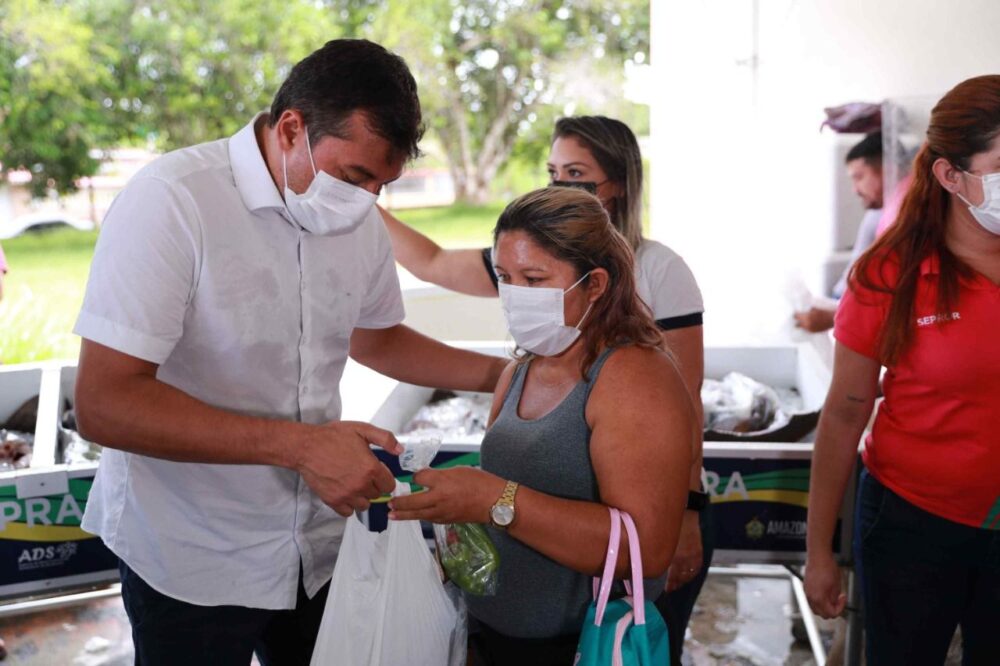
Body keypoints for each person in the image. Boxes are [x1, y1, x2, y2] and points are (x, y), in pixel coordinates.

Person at [72, 39, 505, 666]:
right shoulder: (173, 200)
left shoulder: (354, 216)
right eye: (356, 176)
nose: (367, 200)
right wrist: (302, 446)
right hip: (193, 554)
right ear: (292, 128)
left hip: (320, 547)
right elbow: (105, 403)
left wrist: (501, 375)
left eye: (383, 184)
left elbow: (374, 334)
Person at [381, 115, 711, 663]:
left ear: (596, 284)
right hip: (495, 637)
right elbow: (503, 498)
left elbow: (647, 549)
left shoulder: (632, 378)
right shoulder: (520, 369)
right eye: (506, 280)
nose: (515, 296)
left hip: (577, 647)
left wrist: (493, 498)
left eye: (535, 281)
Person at [804, 75, 1000, 664]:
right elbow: (843, 416)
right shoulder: (891, 275)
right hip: (914, 522)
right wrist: (819, 552)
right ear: (950, 175)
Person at [795, 132, 884, 332]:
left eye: (859, 177)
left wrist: (836, 314)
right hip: (843, 300)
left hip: (850, 307)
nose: (855, 190)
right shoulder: (876, 215)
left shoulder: (892, 217)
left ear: (885, 170)